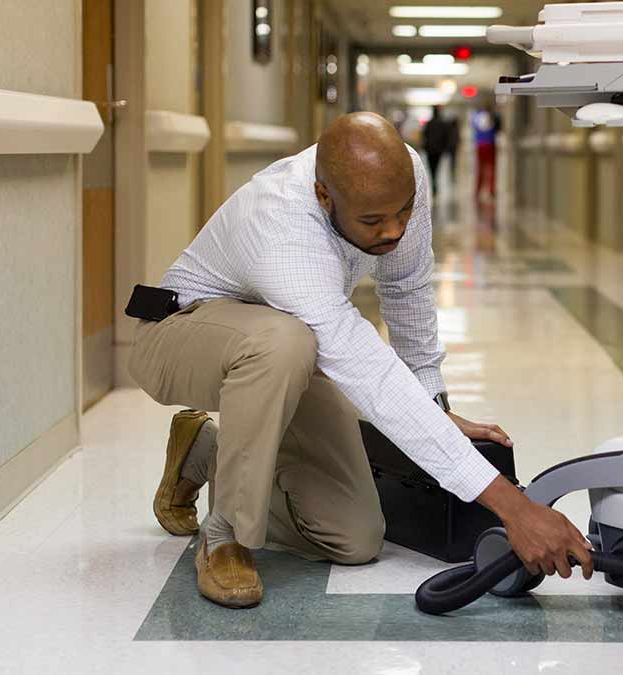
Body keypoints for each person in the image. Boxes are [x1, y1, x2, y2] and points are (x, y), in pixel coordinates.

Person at [128, 112, 592, 609]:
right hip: (179, 337)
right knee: (285, 341)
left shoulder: (401, 177)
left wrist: (434, 406)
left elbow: (407, 287)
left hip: (288, 355)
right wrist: (513, 507)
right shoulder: (282, 225)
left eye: (403, 213)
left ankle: (202, 449)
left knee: (354, 538)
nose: (393, 231)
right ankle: (224, 536)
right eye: (372, 222)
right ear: (325, 196)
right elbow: (367, 371)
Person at [421, 105, 452, 194]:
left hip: (430, 149)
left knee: (431, 167)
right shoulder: (442, 123)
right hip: (438, 150)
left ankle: (433, 181)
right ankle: (435, 182)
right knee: (436, 167)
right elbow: (446, 137)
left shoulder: (429, 123)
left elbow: (425, 135)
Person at [473, 106, 501, 199]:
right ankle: (491, 190)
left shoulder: (476, 117)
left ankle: (478, 190)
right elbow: (497, 129)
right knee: (492, 168)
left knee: (480, 168)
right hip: (490, 144)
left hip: (480, 145)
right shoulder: (493, 117)